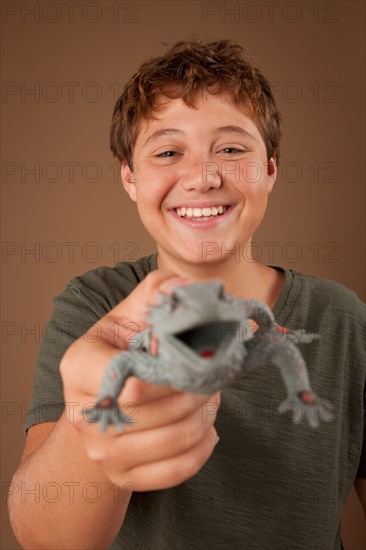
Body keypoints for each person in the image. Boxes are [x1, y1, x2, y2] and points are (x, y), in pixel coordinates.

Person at [9, 38, 365, 549]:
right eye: (169, 151)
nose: (202, 177)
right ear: (130, 178)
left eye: (232, 148)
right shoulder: (94, 305)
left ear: (270, 169)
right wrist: (94, 425)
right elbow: (46, 539)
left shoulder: (343, 319)